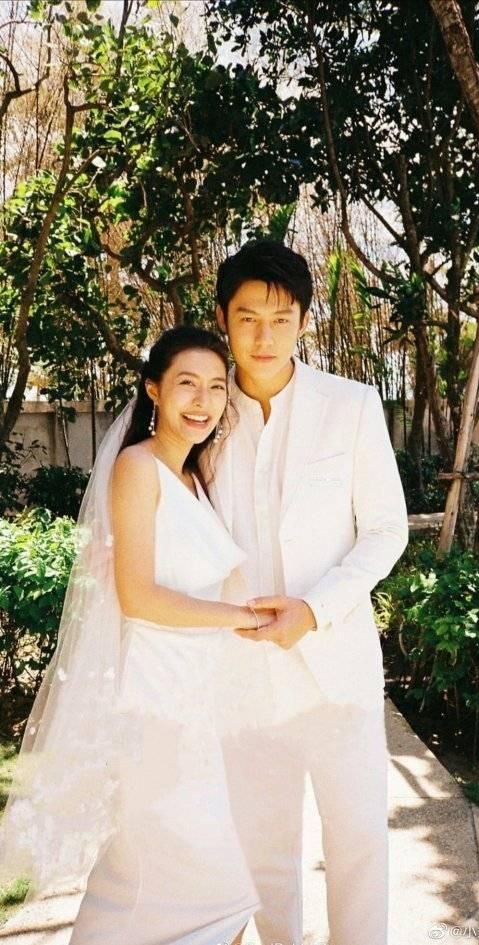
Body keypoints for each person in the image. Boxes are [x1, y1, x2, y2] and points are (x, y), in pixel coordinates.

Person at [0, 326, 266, 945]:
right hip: (155, 702)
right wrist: (244, 618)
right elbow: (139, 597)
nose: (202, 401)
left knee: (169, 884)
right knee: (203, 888)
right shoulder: (137, 466)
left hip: (194, 707)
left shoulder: (196, 480)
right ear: (153, 389)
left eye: (215, 388)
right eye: (186, 385)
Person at [201, 240, 409, 945]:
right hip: (239, 675)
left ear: (304, 322)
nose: (265, 336)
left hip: (337, 669)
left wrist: (315, 608)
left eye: (281, 318)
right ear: (223, 320)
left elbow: (385, 530)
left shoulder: (349, 405)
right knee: (264, 852)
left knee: (357, 841)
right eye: (248, 317)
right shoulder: (201, 413)